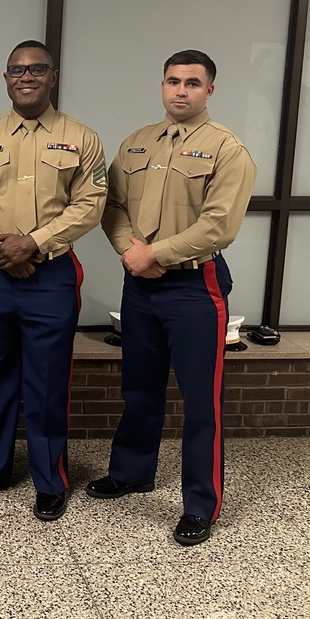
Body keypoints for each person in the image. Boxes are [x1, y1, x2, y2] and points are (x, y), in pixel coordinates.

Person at [88, 49, 257, 546]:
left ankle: (201, 504)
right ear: (162, 85)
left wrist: (155, 253)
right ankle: (132, 472)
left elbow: (219, 225)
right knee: (139, 387)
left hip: (194, 286)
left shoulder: (227, 149)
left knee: (201, 400)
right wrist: (130, 252)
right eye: (173, 81)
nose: (181, 90)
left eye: (192, 82)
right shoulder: (136, 143)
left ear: (209, 90)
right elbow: (111, 205)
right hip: (139, 283)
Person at [0, 40, 106, 521]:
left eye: (37, 69)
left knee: (47, 382)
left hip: (50, 277)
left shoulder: (82, 138)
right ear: (6, 78)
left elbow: (90, 205)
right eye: (17, 70)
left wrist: (34, 242)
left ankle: (49, 478)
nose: (27, 77)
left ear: (52, 76)